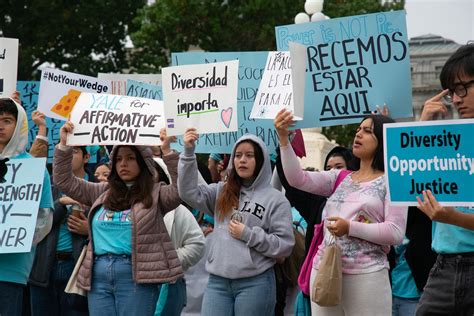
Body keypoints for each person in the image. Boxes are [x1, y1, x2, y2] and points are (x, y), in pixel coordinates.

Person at [275, 109, 406, 315]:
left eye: (367, 131)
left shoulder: (393, 180)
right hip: (325, 269)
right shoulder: (339, 177)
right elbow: (296, 179)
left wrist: (349, 228)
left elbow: (396, 232)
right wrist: (284, 139)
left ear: (383, 139)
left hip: (367, 275)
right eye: (358, 129)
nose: (358, 134)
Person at [53, 122, 183, 316]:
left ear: (143, 162)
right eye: (119, 159)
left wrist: (168, 152)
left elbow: (183, 190)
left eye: (130, 158)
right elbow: (64, 180)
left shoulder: (157, 194)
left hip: (136, 276)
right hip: (97, 275)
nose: (123, 163)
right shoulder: (102, 192)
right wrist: (64, 145)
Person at [178, 129, 295, 316]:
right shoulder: (222, 191)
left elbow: (284, 246)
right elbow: (188, 192)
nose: (242, 160)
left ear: (261, 161)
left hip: (255, 282)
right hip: (217, 282)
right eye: (238, 155)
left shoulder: (276, 199)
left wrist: (249, 235)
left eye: (249, 156)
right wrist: (188, 153)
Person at [415, 43, 474, 315]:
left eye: (463, 88)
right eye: (452, 92)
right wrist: (423, 129)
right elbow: (410, 183)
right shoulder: (447, 143)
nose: (457, 99)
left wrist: (453, 218)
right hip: (444, 268)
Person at [0, 97, 54, 316]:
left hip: (11, 268)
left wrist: (15, 238)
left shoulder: (34, 168)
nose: (0, 126)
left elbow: (44, 218)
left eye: (7, 120)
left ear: (19, 124)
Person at [29, 146, 92, 316]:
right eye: (62, 152)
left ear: (87, 157)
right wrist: (63, 203)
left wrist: (89, 231)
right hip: (43, 266)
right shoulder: (46, 185)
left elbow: (110, 228)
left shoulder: (97, 188)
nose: (67, 156)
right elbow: (35, 220)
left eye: (73, 152)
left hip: (78, 267)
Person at [153, 157, 206, 316]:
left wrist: (168, 261)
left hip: (169, 287)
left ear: (162, 176)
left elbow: (197, 244)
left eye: (150, 170)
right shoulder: (126, 208)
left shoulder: (178, 211)